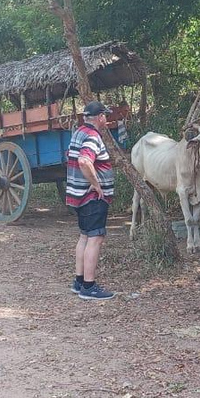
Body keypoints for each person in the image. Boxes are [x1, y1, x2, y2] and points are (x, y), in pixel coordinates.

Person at [66, 100, 115, 300]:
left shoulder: (79, 132)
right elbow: (85, 161)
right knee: (95, 237)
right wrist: (96, 185)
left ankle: (79, 282)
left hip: (78, 196)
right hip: (91, 197)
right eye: (106, 116)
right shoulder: (93, 136)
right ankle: (89, 286)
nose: (107, 119)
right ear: (100, 117)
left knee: (85, 236)